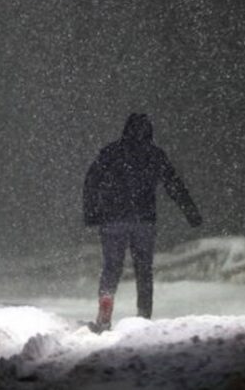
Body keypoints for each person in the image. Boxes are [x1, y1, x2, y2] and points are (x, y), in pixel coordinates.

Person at [83, 113, 202, 332]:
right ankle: (144, 316)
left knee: (112, 267)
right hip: (144, 220)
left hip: (113, 220)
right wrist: (190, 211)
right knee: (144, 269)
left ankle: (106, 306)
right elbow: (173, 184)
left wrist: (91, 212)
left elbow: (91, 181)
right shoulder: (154, 154)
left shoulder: (110, 152)